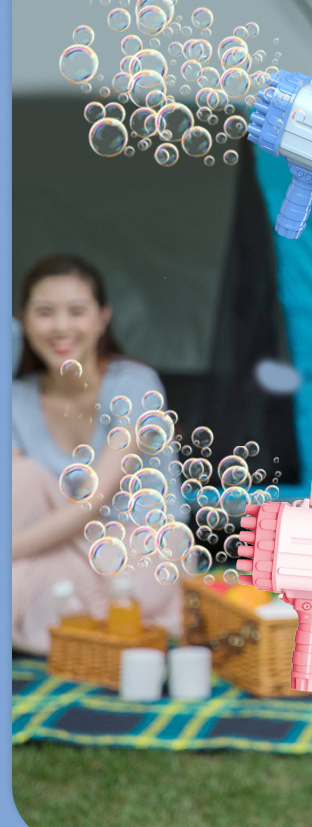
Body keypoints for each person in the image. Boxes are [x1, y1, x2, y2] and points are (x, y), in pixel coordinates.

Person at [12, 254, 182, 654]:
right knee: (20, 479)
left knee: (26, 585)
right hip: (57, 548)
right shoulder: (16, 398)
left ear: (102, 318)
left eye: (76, 312)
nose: (60, 327)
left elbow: (92, 502)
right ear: (23, 320)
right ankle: (87, 622)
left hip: (136, 550)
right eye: (45, 313)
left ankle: (67, 618)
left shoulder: (134, 385)